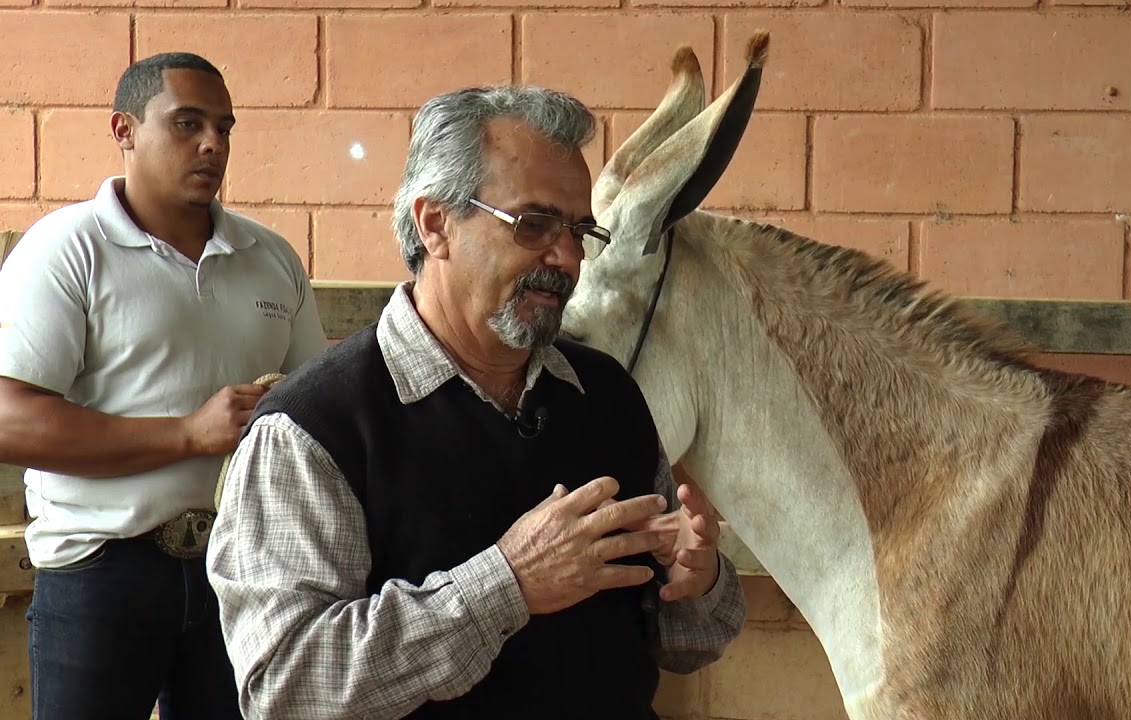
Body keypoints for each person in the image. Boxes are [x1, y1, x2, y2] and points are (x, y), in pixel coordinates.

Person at [206, 84, 748, 719]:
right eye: (535, 224)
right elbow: (288, 686)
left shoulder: (607, 396)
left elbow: (686, 643)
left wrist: (696, 582)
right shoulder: (313, 431)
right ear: (434, 223)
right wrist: (509, 583)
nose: (568, 258)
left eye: (579, 230)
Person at [0, 52, 329, 720]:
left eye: (224, 127)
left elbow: (312, 405)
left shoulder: (270, 258)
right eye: (187, 123)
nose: (213, 143)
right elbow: (9, 420)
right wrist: (188, 434)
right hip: (100, 570)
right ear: (123, 130)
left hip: (245, 571)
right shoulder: (66, 248)